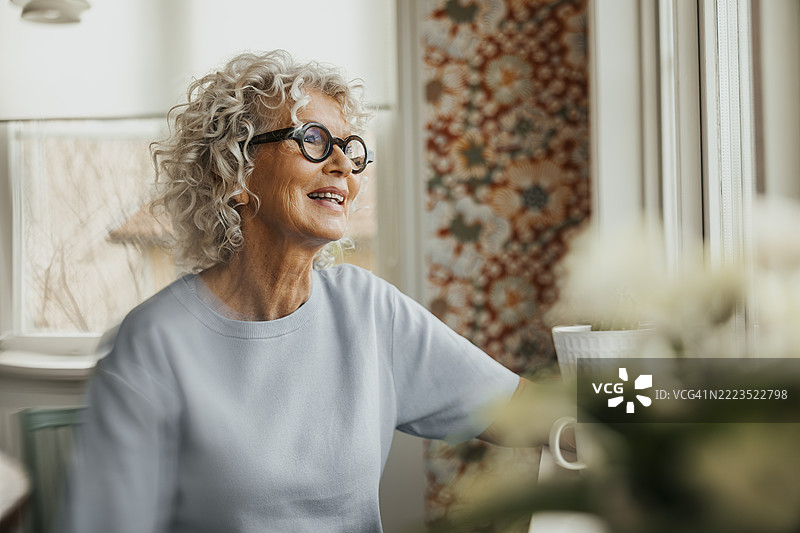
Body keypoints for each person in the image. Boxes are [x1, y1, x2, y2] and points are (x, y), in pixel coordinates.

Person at [56, 50, 545, 533]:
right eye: (313, 139)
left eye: (350, 148)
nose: (344, 165)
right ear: (234, 174)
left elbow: (525, 409)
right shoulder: (152, 343)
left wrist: (600, 399)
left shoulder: (369, 310)